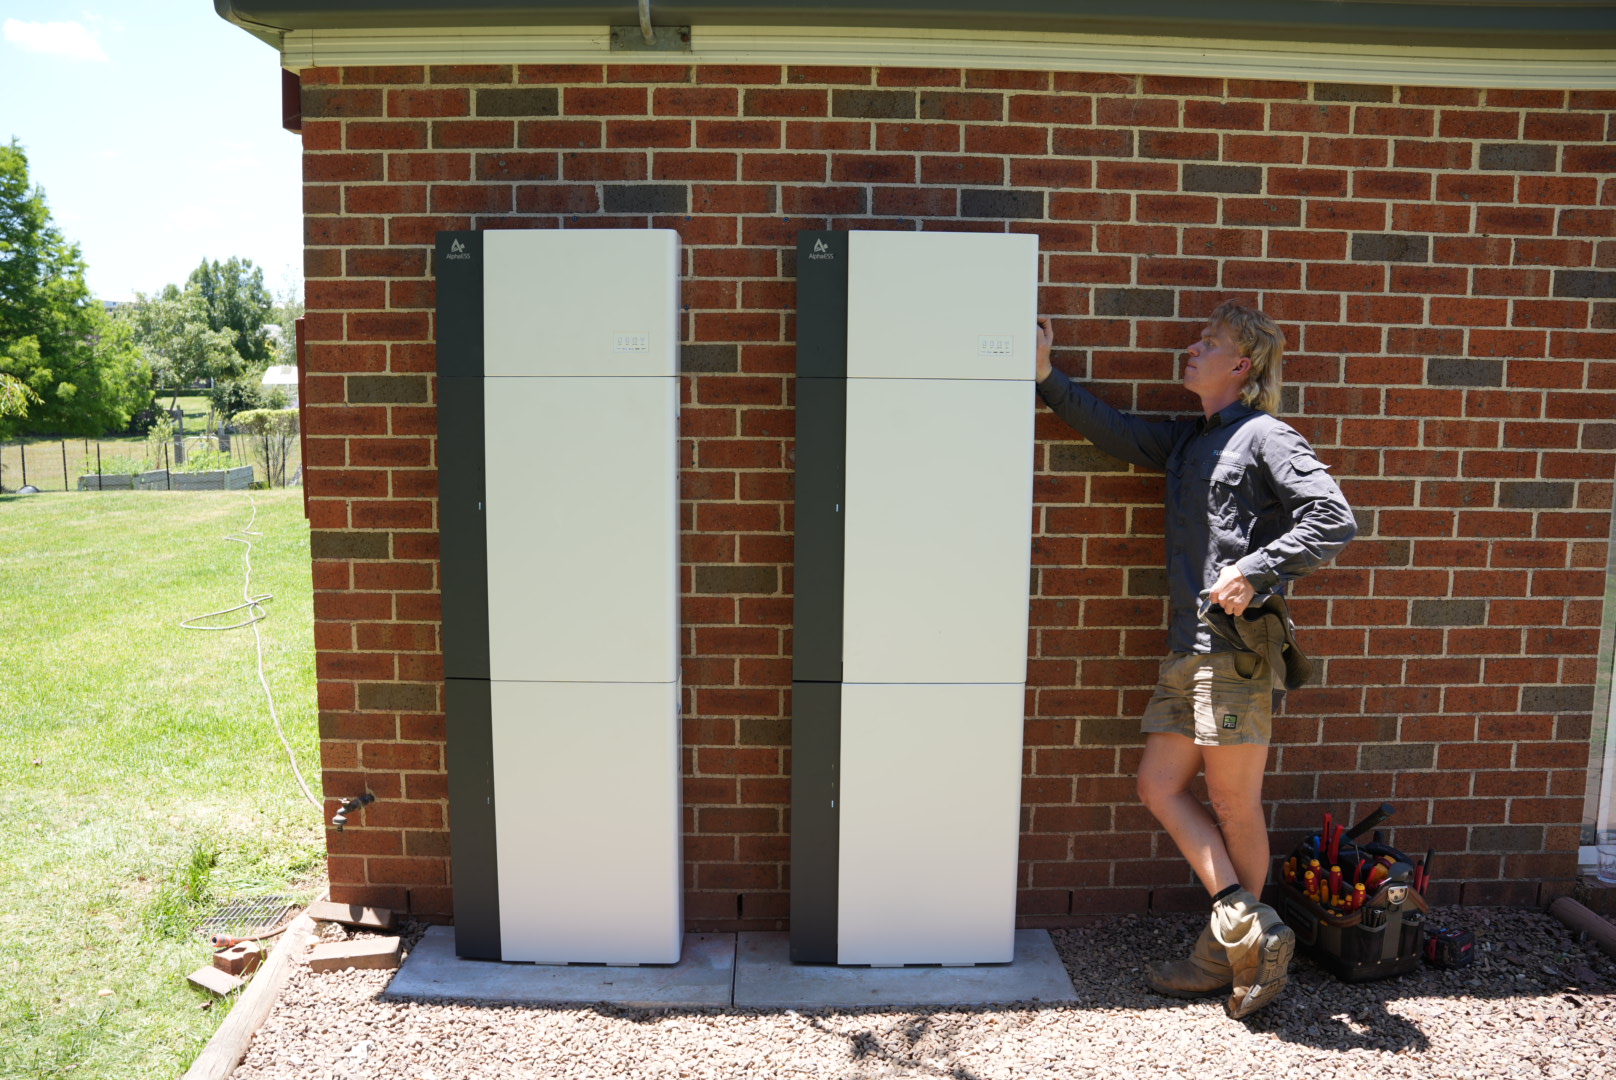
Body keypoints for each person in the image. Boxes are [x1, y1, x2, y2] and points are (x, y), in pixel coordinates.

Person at [1033, 300, 1356, 1019]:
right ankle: (1248, 927)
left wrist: (1259, 568)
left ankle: (1229, 953)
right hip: (1189, 651)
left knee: (1234, 803)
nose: (1191, 347)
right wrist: (1045, 376)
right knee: (1158, 783)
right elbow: (1118, 431)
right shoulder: (1190, 441)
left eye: (1208, 343)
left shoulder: (1266, 436)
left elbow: (1333, 517)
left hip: (1236, 653)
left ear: (1241, 365)